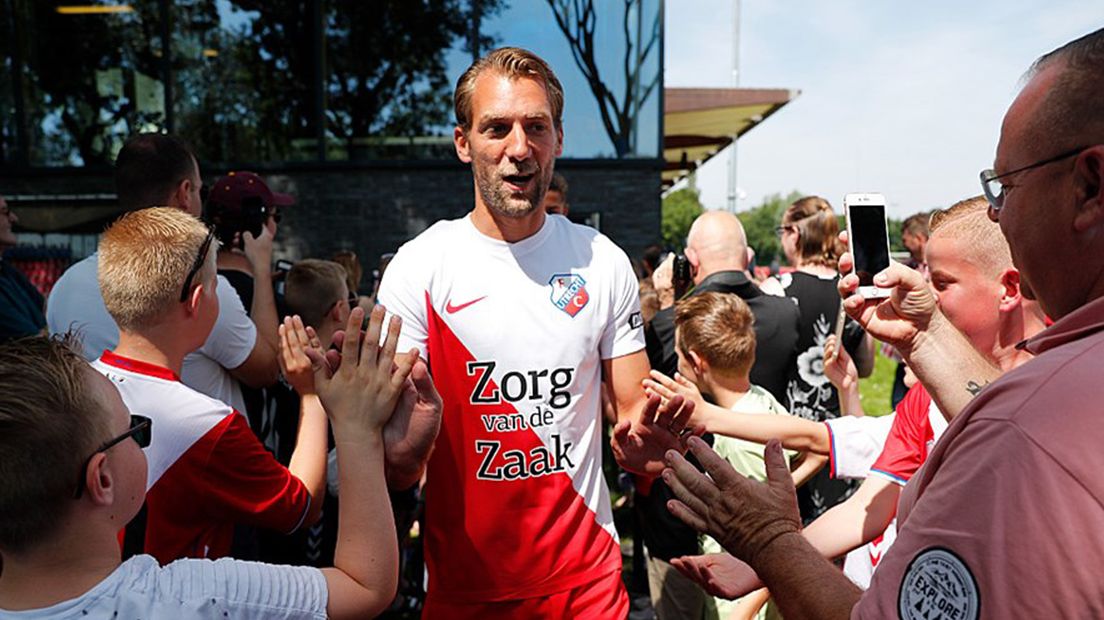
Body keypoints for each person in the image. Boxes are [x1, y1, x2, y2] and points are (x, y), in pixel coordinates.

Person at [660, 27, 1104, 619]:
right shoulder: (1029, 399)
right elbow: (880, 481)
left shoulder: (1039, 421)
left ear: (1091, 186)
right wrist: (925, 336)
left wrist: (768, 546)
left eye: (1007, 185)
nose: (1001, 213)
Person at [376, 46, 688, 618]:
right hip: (466, 586)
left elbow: (632, 418)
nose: (519, 148)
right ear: (463, 143)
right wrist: (410, 442)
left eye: (535, 127)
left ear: (558, 140)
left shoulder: (603, 261)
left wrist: (652, 439)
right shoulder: (419, 269)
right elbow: (397, 466)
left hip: (588, 582)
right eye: (497, 128)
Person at [667, 196, 1048, 599]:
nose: (927, 298)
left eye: (941, 283)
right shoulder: (924, 399)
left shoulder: (1056, 386)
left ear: (1007, 288)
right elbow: (865, 509)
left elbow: (1017, 454)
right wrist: (759, 564)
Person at [0, 303, 410, 618]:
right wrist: (357, 428)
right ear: (101, 480)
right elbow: (364, 586)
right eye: (134, 428)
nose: (141, 434)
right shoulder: (197, 596)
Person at [90, 206, 330, 564]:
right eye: (218, 286)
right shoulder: (207, 425)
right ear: (199, 301)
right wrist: (312, 394)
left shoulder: (69, 390)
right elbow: (301, 507)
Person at [46, 133, 281, 415]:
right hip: (209, 453)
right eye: (199, 190)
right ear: (184, 193)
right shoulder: (202, 288)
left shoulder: (64, 287)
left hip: (115, 452)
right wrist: (262, 266)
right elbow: (267, 371)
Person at [640, 210, 801, 619]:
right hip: (770, 491)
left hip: (684, 521)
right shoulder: (786, 314)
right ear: (748, 256)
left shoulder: (670, 323)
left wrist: (666, 301)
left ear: (690, 262)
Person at [672, 292, 818, 619]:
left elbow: (766, 543)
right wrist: (783, 487)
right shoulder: (759, 399)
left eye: (679, 353)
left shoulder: (736, 443)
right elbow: (815, 451)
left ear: (696, 362)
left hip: (742, 601)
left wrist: (743, 613)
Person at [766, 195, 874, 522]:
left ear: (795, 234)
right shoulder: (852, 291)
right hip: (839, 435)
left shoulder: (776, 289)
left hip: (788, 434)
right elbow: (866, 367)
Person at [0, 195, 47, 341]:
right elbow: (34, 341)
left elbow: (46, 309)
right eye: (4, 212)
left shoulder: (7, 270)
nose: (14, 218)